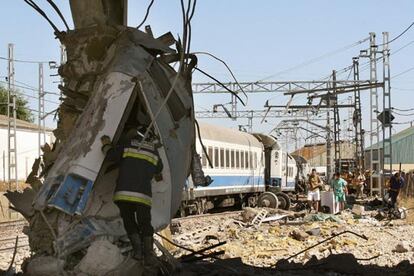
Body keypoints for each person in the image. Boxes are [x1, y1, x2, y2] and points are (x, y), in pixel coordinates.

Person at [101, 125, 163, 266]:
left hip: (124, 193)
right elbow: (159, 168)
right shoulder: (153, 151)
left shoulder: (127, 145)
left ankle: (137, 253)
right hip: (143, 195)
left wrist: (106, 144)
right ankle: (149, 255)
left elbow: (111, 155)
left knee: (129, 222)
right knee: (145, 223)